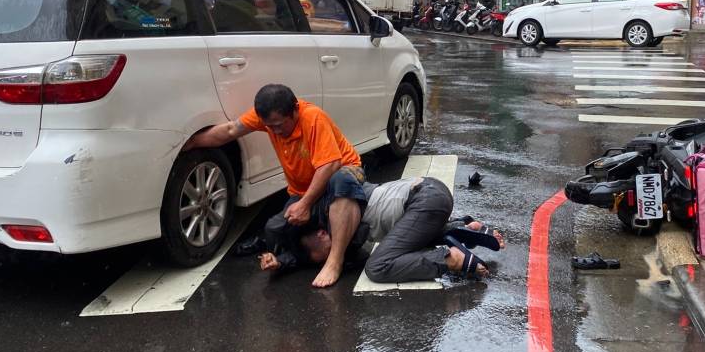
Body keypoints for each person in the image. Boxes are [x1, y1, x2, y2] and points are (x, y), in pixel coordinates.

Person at [183, 83, 367, 288]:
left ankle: (335, 261)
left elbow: (330, 165)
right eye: (269, 126)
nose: (274, 131)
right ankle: (283, 258)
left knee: (340, 180)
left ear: (295, 110)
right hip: (305, 190)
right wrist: (189, 142)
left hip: (340, 177)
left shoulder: (313, 118)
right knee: (274, 230)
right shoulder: (270, 117)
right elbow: (230, 130)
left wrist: (305, 204)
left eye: (279, 125)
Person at [289, 176, 503, 282]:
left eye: (325, 252)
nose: (332, 255)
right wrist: (280, 260)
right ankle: (461, 228)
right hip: (431, 194)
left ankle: (450, 259)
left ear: (321, 233)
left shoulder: (337, 216)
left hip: (424, 201)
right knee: (405, 244)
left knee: (377, 267)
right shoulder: (338, 212)